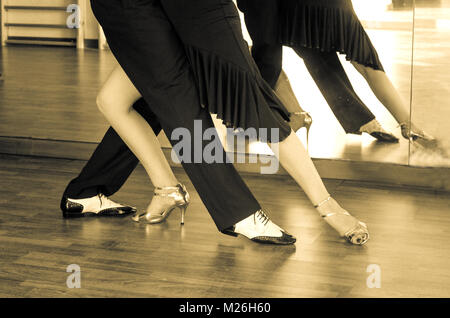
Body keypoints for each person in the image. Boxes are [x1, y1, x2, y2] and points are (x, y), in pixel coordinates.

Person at [85, 0, 369, 245]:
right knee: (114, 100)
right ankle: (167, 190)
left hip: (195, 11)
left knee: (254, 105)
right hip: (149, 13)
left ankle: (326, 204)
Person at [239, 0, 436, 148]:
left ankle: (289, 115)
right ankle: (401, 123)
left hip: (308, 7)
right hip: (290, 7)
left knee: (276, 55)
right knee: (272, 54)